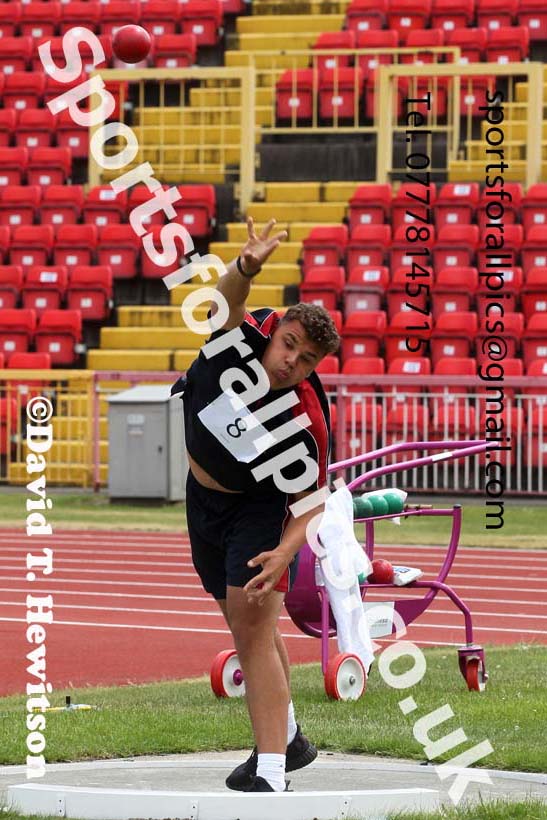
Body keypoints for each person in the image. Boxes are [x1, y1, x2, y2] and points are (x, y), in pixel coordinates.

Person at [174, 217, 340, 793]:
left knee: (251, 622)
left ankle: (271, 773)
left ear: (316, 367)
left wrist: (284, 553)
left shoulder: (306, 420)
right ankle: (289, 738)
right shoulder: (241, 336)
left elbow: (312, 503)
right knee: (247, 622)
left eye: (308, 358)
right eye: (289, 343)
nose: (292, 360)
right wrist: (245, 265)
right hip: (202, 498)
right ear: (276, 333)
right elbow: (221, 304)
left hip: (258, 507)